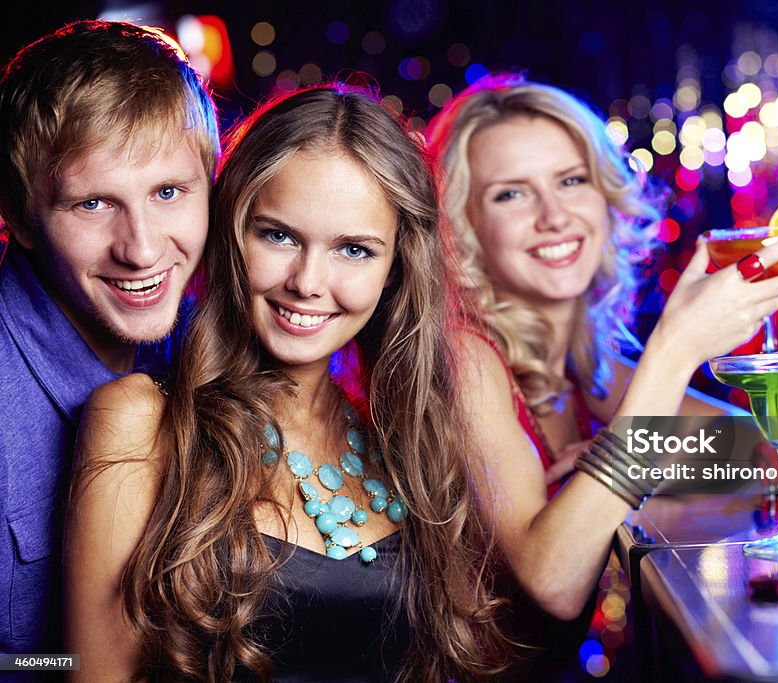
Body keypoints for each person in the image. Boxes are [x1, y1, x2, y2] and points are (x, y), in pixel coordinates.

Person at [65, 85, 509, 682]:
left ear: (395, 268)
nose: (308, 282)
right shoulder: (140, 421)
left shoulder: (400, 438)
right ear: (231, 230)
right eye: (278, 235)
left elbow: (545, 589)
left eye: (353, 250)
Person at [427, 75, 778, 629]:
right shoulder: (463, 358)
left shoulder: (584, 371)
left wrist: (616, 469)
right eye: (510, 193)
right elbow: (552, 582)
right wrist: (674, 351)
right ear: (464, 229)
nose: (554, 216)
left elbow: (768, 457)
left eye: (571, 180)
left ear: (606, 197)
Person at [0, 20, 217, 656]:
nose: (143, 249)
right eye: (93, 204)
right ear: (18, 218)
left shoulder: (214, 347)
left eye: (169, 192)